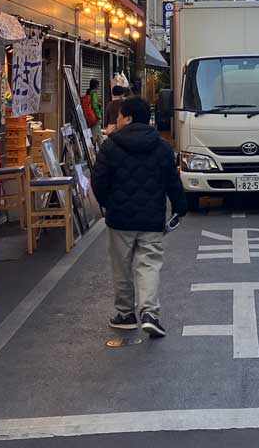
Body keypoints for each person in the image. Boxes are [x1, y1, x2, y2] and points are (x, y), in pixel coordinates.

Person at [91, 96, 187, 338]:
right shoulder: (162, 146)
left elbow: (99, 180)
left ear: (128, 118)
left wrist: (107, 204)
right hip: (151, 218)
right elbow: (172, 181)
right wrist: (179, 207)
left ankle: (125, 314)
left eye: (119, 115)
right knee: (149, 264)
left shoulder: (110, 146)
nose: (117, 119)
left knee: (121, 266)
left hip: (119, 219)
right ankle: (150, 312)